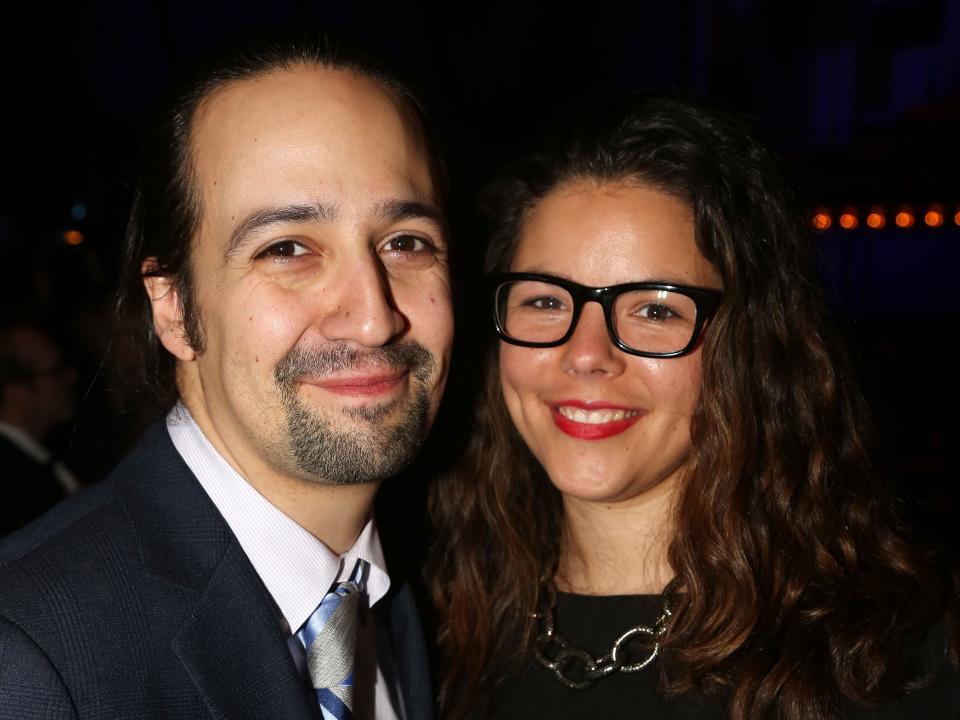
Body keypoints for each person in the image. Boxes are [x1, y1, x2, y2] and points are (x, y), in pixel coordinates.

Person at [428, 93, 959, 719]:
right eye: (545, 301)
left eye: (656, 309)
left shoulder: (892, 657)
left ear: (750, 347)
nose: (586, 354)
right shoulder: (425, 626)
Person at [0, 27, 452, 720]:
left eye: (405, 242)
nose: (373, 317)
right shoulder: (30, 658)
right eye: (288, 248)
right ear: (175, 309)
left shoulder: (402, 595)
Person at [0, 323, 81, 536]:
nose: (72, 377)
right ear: (13, 390)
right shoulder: (12, 481)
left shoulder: (43, 458)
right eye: (57, 370)